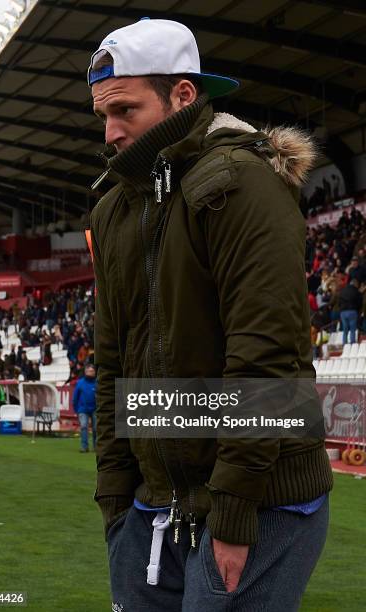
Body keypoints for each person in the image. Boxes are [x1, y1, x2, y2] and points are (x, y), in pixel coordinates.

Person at [88, 18, 333, 611]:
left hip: (262, 499)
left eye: (125, 110)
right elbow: (113, 362)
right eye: (102, 115)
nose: (110, 131)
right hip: (153, 504)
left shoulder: (244, 182)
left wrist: (233, 509)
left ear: (184, 94)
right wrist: (117, 500)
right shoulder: (115, 208)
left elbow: (266, 355)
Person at [72, 364, 97, 453]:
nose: (90, 373)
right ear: (85, 372)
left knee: (96, 428)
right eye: (89, 371)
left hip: (95, 409)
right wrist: (76, 410)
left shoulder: (97, 382)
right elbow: (75, 397)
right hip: (83, 409)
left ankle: (96, 446)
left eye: (92, 371)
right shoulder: (80, 383)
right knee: (83, 427)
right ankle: (84, 446)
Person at [339, 278, 362, 344]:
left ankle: (344, 343)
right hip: (352, 311)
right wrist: (358, 310)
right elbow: (359, 302)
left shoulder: (343, 290)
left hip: (343, 312)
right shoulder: (356, 291)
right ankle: (352, 343)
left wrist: (341, 309)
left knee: (345, 328)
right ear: (355, 284)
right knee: (352, 329)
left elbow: (339, 301)